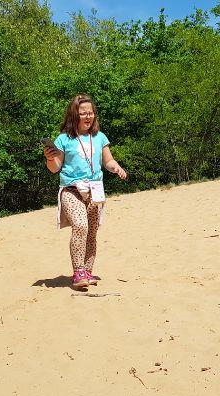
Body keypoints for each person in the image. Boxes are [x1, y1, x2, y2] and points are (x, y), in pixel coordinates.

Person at [43, 94, 128, 289]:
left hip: (95, 191)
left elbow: (108, 160)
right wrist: (49, 158)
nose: (88, 117)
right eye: (83, 113)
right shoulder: (63, 139)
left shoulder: (99, 137)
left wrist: (116, 167)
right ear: (74, 115)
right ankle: (78, 271)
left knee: (91, 232)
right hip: (71, 190)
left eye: (91, 113)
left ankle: (88, 271)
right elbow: (55, 167)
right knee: (80, 226)